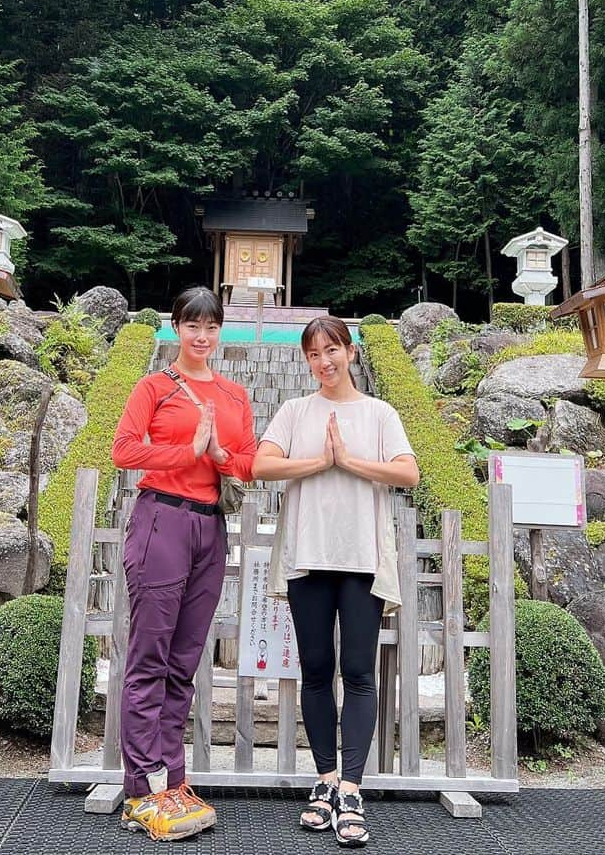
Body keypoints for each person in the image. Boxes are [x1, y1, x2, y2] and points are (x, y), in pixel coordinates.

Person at [253, 315, 419, 848]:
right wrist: (317, 462)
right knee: (317, 671)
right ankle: (324, 782)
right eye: (313, 355)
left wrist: (347, 460)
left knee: (359, 672)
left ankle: (352, 788)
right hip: (308, 554)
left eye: (332, 351)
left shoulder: (378, 412)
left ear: (349, 351)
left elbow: (407, 473)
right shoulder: (295, 410)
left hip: (362, 557)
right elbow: (261, 465)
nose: (324, 363)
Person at [111, 286, 256, 841]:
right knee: (150, 656)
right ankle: (142, 790)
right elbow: (124, 450)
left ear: (221, 332)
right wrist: (187, 453)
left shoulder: (235, 395)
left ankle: (173, 780)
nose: (202, 336)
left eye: (211, 326)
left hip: (210, 527)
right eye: (191, 325)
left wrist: (221, 457)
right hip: (161, 520)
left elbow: (248, 463)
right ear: (175, 328)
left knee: (184, 660)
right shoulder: (152, 386)